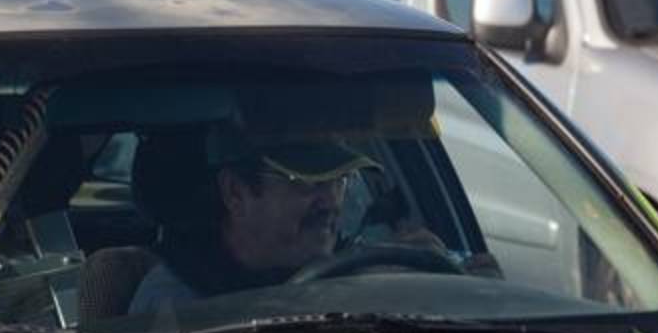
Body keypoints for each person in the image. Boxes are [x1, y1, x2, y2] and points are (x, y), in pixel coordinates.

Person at [128, 124, 485, 314]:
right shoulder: (175, 300)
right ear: (236, 193)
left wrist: (463, 294)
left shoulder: (369, 265)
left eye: (340, 180)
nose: (331, 201)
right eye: (305, 181)